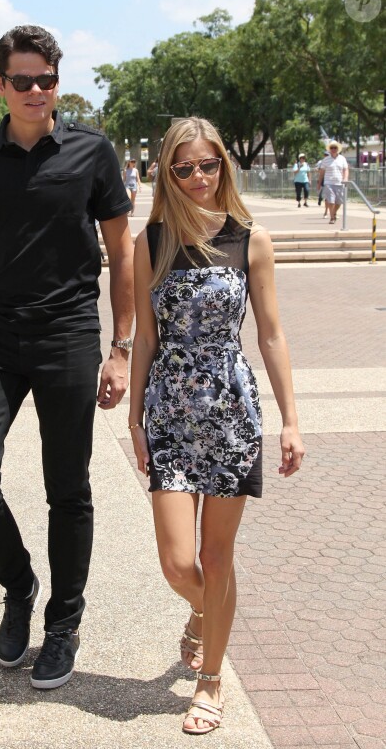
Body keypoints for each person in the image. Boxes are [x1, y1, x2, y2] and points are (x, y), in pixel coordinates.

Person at [0, 24, 134, 690]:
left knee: (68, 487)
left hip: (69, 333)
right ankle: (19, 585)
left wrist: (121, 346)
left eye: (47, 80)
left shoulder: (94, 152)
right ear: (0, 84)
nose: (36, 91)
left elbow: (123, 252)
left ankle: (63, 622)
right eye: (23, 80)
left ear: (57, 84)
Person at [128, 116, 304, 735]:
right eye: (184, 167)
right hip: (172, 411)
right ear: (166, 173)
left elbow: (272, 333)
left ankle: (210, 681)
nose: (198, 178)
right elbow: (144, 337)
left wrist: (290, 421)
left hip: (231, 411)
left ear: (223, 166)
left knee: (216, 554)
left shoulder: (250, 238)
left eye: (208, 165)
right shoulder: (148, 243)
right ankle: (209, 613)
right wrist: (135, 420)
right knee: (179, 563)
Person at [318, 141, 348, 224]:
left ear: (338, 149)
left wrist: (345, 178)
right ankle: (332, 217)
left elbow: (345, 169)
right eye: (332, 148)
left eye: (335, 148)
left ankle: (334, 212)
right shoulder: (326, 160)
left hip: (339, 182)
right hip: (328, 183)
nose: (333, 149)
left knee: (339, 202)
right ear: (329, 149)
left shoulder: (342, 158)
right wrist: (319, 183)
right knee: (331, 201)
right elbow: (322, 172)